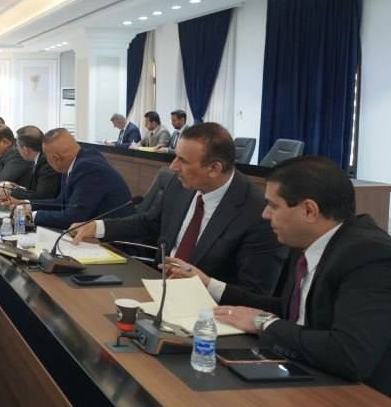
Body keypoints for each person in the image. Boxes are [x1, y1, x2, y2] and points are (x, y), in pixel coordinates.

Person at [194, 157, 391, 407]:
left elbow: (348, 354)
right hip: (325, 382)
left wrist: (264, 323)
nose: (265, 214)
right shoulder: (310, 241)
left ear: (309, 210)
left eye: (273, 206)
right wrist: (211, 285)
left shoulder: (373, 258)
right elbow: (291, 310)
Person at [73, 122, 283, 294]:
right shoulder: (180, 184)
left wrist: (206, 283)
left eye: (182, 160)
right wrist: (97, 227)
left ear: (214, 168)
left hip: (207, 311)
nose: (173, 167)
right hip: (157, 287)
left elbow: (254, 292)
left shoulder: (257, 212)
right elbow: (149, 223)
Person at [25, 128, 131, 230]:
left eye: (46, 157)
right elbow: (61, 202)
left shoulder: (89, 168)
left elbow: (73, 218)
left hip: (115, 238)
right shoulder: (73, 162)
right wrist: (26, 205)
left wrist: (31, 216)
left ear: (56, 158)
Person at [6, 125, 61, 201]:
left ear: (25, 150)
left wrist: (10, 192)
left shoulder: (47, 164)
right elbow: (34, 190)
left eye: (17, 145)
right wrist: (17, 188)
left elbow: (41, 197)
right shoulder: (38, 159)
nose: (16, 149)